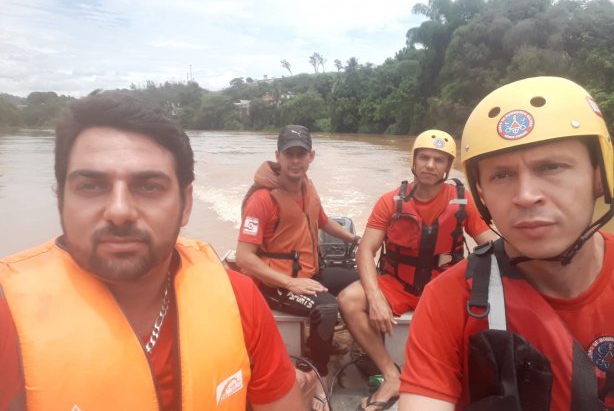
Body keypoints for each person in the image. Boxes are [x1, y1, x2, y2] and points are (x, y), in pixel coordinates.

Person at [0, 92, 305, 411]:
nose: (119, 211)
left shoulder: (238, 299)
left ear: (186, 204)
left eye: (148, 186)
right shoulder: (8, 314)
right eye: (91, 186)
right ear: (61, 197)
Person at [399, 76, 614, 411]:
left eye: (552, 166)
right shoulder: (448, 299)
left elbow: (481, 237)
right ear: (482, 193)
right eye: (501, 175)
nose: (526, 196)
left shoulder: (458, 208)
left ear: (599, 176)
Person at [337, 129, 495, 411]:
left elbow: (490, 245)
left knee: (486, 313)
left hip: (445, 284)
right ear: (413, 160)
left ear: (448, 166)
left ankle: (460, 380)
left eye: (439, 159)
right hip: (398, 282)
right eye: (424, 157)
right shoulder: (390, 201)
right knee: (348, 300)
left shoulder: (463, 200)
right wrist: (374, 298)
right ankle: (390, 375)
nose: (430, 165)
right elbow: (366, 250)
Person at [235, 124, 360, 411]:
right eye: (289, 153)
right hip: (272, 283)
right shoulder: (261, 199)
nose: (295, 160)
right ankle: (318, 375)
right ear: (277, 156)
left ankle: (345, 337)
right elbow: (243, 257)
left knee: (365, 276)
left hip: (308, 272)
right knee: (326, 307)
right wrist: (291, 283)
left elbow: (324, 221)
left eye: (301, 153)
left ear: (311, 156)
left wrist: (356, 240)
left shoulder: (308, 185)